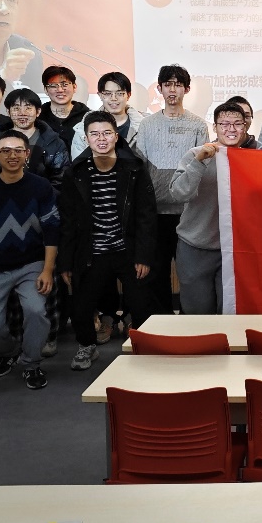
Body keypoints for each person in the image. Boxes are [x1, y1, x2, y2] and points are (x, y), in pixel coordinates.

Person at [59, 112, 158, 371]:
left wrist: (143, 256)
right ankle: (86, 346)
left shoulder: (134, 168)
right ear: (86, 138)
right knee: (81, 307)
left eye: (106, 133)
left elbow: (146, 216)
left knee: (141, 304)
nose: (101, 139)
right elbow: (68, 221)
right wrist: (66, 262)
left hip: (128, 250)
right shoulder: (76, 172)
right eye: (94, 134)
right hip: (92, 251)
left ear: (116, 136)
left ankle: (143, 345)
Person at [0, 130, 58, 390]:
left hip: (31, 264)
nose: (12, 155)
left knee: (36, 311)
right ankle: (9, 352)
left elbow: (52, 229)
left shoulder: (41, 186)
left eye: (18, 150)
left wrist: (47, 269)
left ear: (27, 154)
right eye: (5, 151)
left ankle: (31, 364)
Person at [132, 65, 209, 314]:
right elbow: (140, 167)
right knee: (156, 272)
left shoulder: (198, 125)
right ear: (160, 88)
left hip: (188, 212)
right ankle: (162, 323)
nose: (172, 90)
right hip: (155, 212)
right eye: (167, 84)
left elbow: (202, 167)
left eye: (178, 84)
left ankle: (188, 323)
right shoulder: (147, 125)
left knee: (189, 273)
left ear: (187, 89)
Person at [169, 102, 251, 315]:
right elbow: (178, 193)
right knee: (198, 313)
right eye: (224, 124)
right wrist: (199, 162)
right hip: (196, 246)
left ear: (245, 127)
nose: (231, 129)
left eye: (237, 124)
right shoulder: (197, 154)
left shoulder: (253, 158)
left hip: (234, 250)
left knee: (231, 311)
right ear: (215, 127)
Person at [0, 89, 69, 186]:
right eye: (16, 108)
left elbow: (60, 180)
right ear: (8, 112)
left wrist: (42, 194)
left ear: (38, 111)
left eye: (28, 108)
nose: (22, 113)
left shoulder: (54, 142)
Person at [70, 72, 144, 159]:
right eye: (108, 94)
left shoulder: (144, 126)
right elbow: (78, 162)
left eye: (119, 93)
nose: (114, 98)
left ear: (128, 95)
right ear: (100, 95)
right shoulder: (84, 127)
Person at [39, 65, 90, 140]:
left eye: (64, 84)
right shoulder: (38, 117)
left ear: (74, 87)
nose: (60, 90)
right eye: (53, 85)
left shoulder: (88, 117)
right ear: (46, 90)